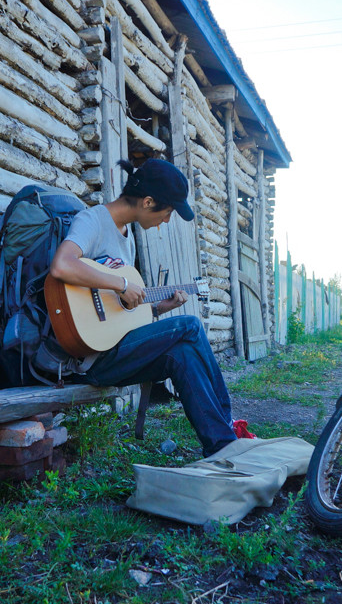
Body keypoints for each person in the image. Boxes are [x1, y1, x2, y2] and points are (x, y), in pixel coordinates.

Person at [48, 159, 238, 456]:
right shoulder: (93, 221)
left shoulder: (127, 238)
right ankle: (229, 419)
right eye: (167, 213)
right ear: (148, 202)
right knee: (190, 325)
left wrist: (158, 308)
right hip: (90, 360)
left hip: (116, 350)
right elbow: (62, 265)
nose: (166, 221)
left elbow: (121, 315)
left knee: (184, 354)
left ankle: (222, 445)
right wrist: (121, 285)